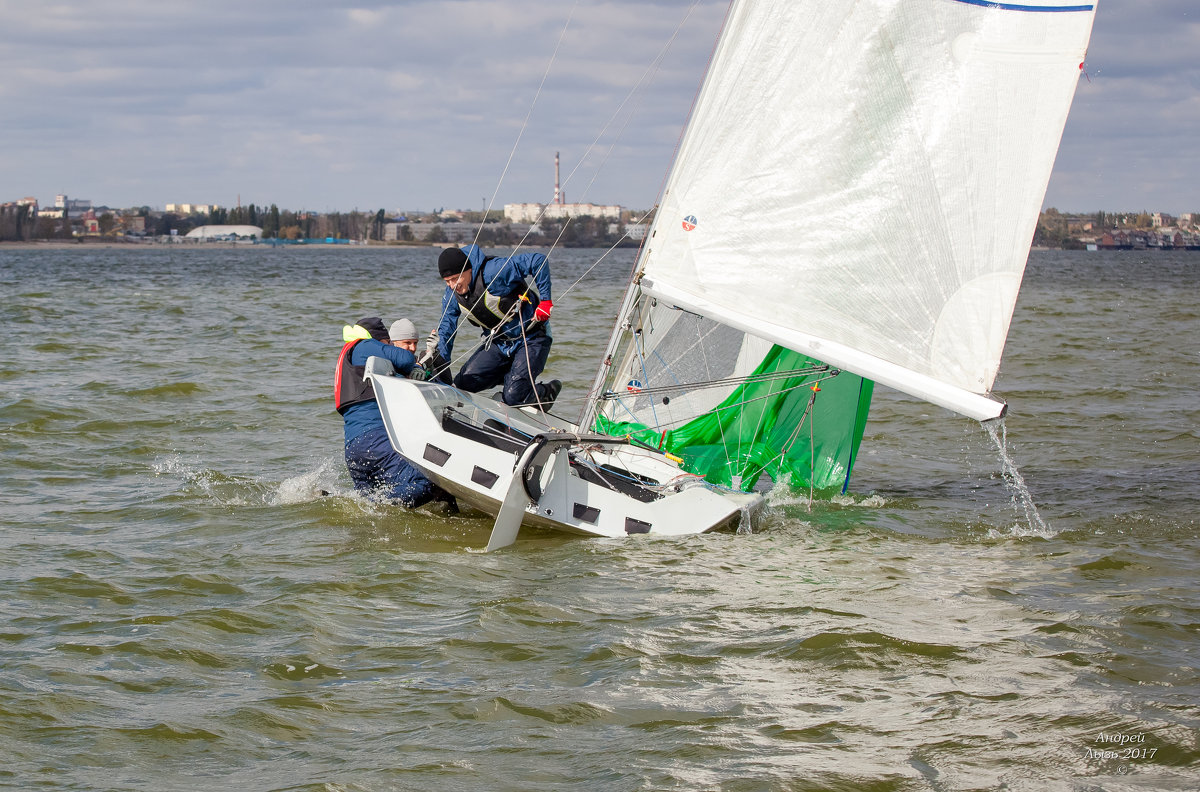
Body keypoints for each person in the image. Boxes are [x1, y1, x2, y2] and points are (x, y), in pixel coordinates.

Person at [334, 316, 454, 510]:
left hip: (353, 448)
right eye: (386, 344)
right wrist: (414, 365)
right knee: (426, 483)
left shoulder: (352, 360)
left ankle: (354, 502)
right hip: (376, 440)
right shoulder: (365, 345)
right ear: (380, 340)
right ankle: (381, 505)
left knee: (364, 506)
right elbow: (405, 359)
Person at [434, 244, 561, 409]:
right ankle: (512, 378)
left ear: (468, 270)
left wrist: (545, 301)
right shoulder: (452, 296)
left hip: (532, 338)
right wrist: (440, 368)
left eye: (455, 279)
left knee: (513, 397)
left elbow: (538, 261)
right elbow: (446, 331)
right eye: (447, 281)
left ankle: (546, 391)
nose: (452, 285)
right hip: (500, 344)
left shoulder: (494, 271)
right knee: (462, 384)